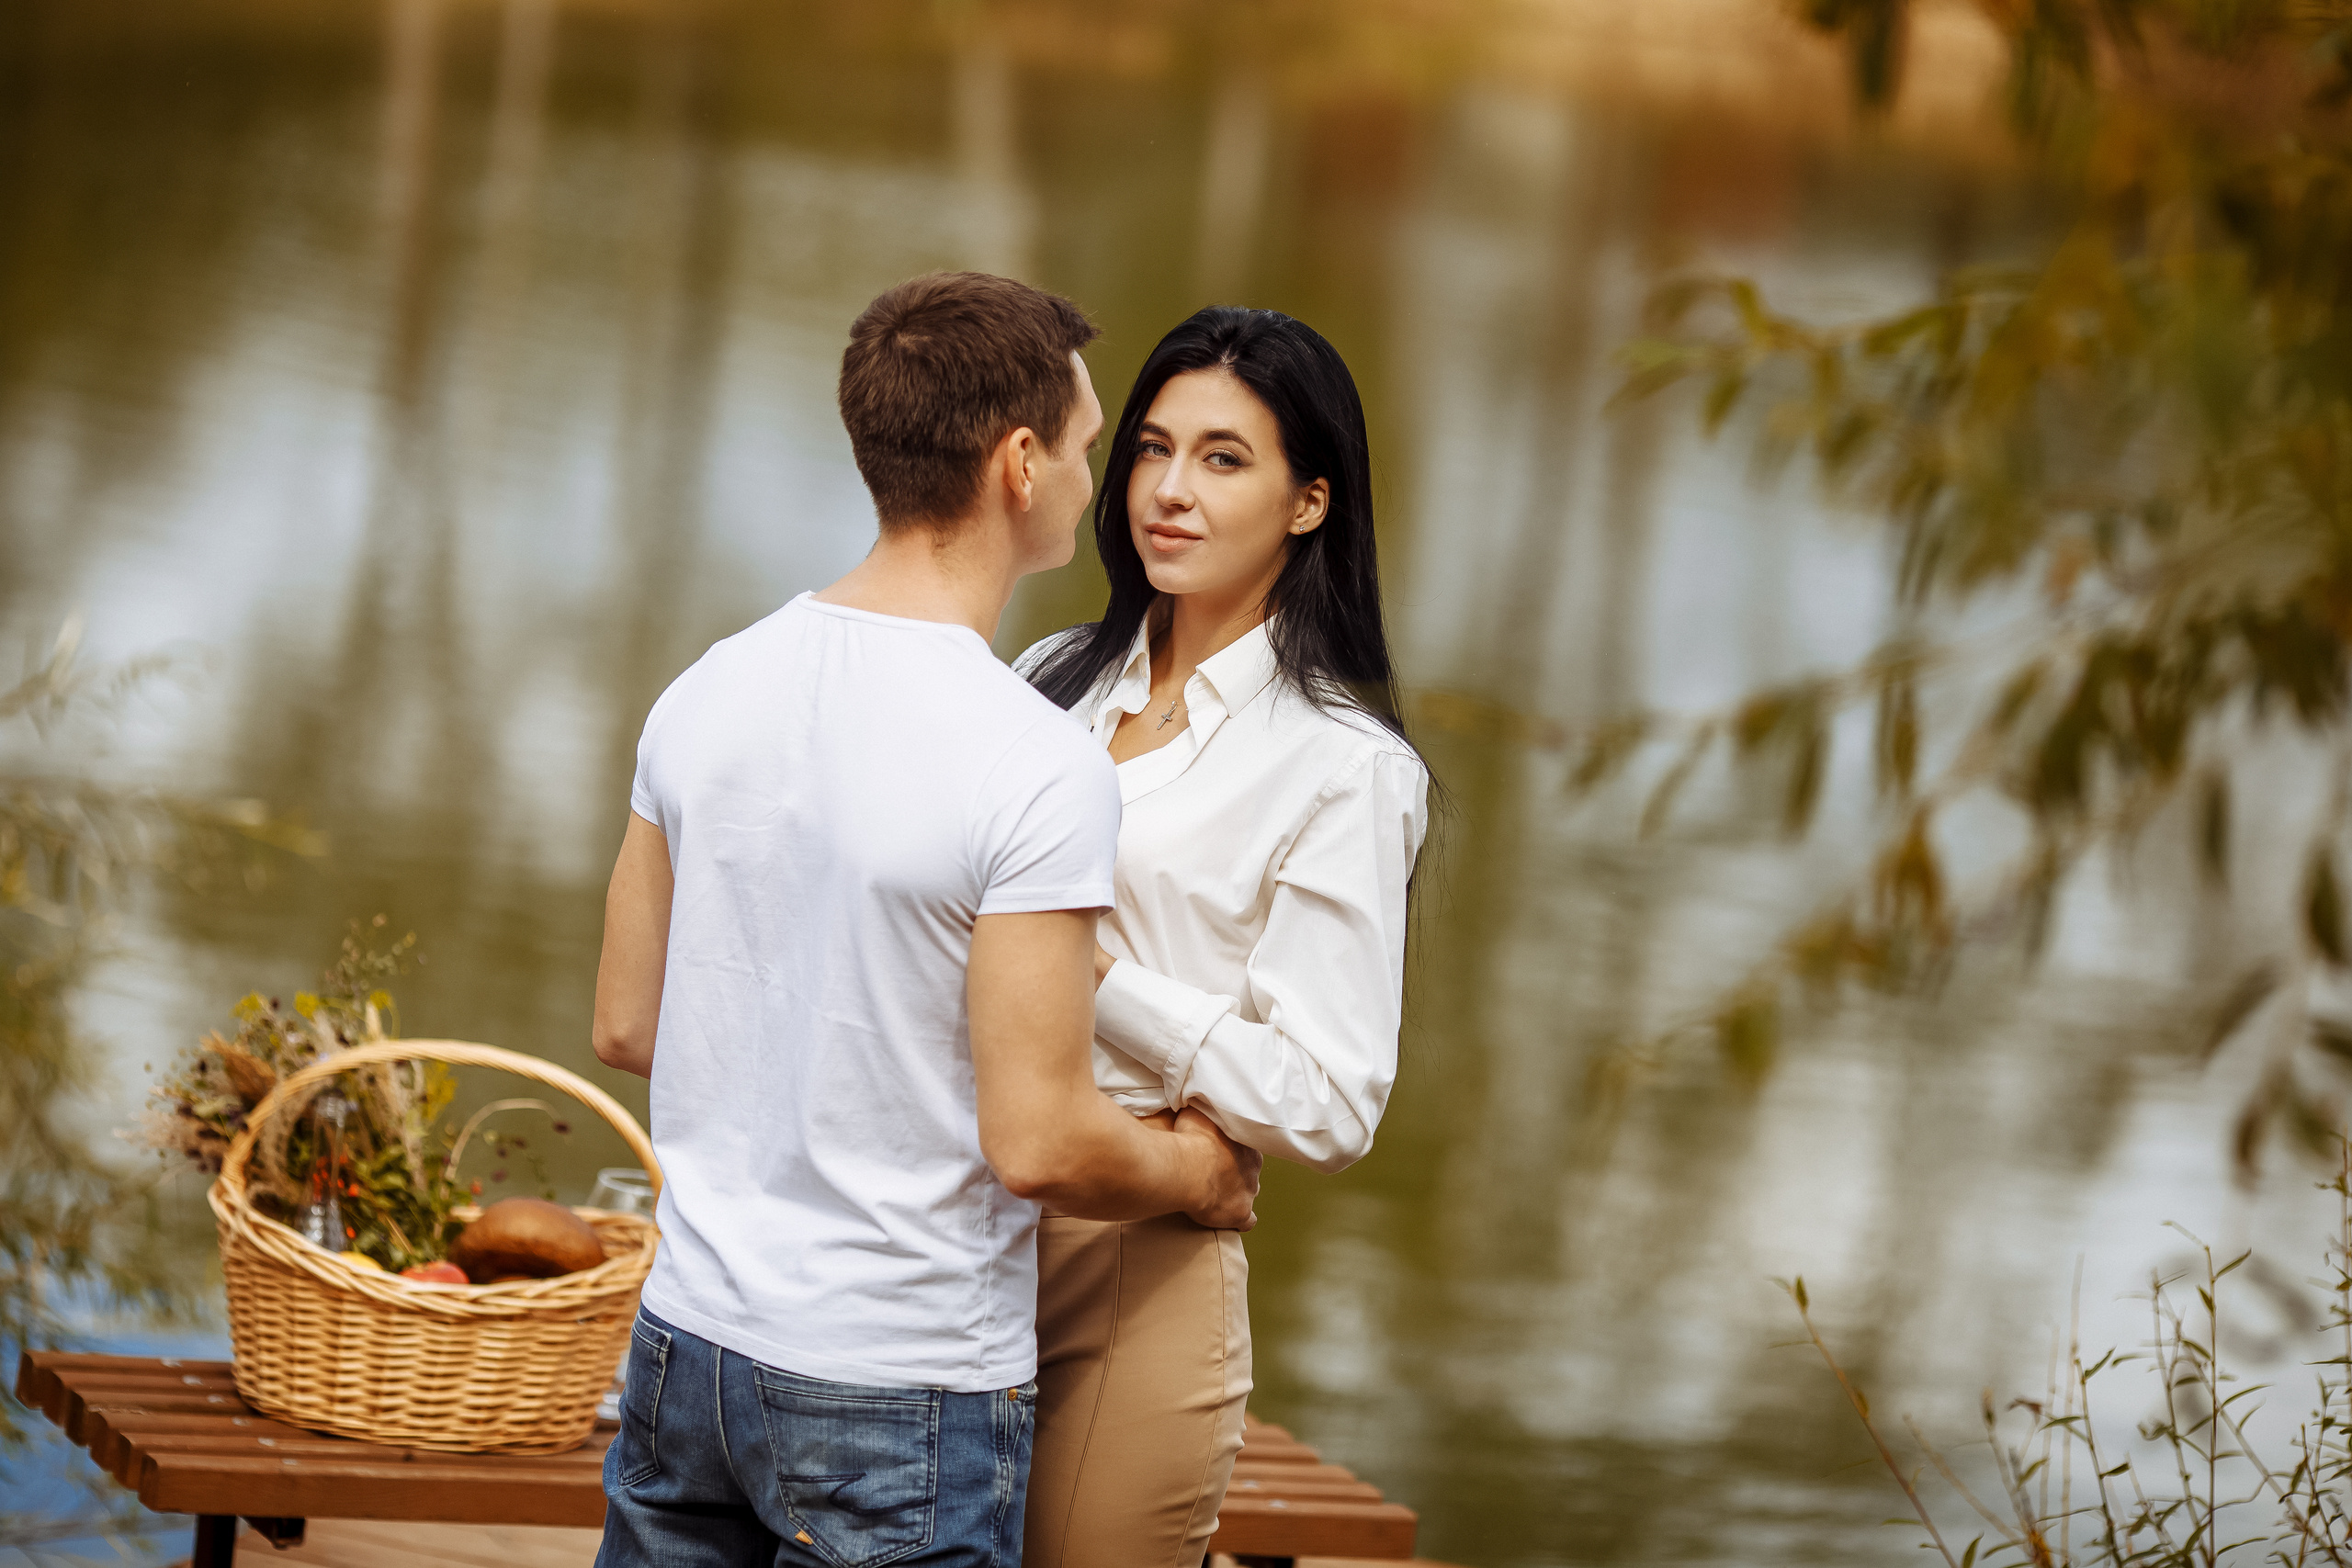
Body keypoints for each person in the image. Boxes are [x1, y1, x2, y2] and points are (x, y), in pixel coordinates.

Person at [589, 272, 1262, 1568]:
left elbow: (628, 1021)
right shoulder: (1032, 765)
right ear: (1019, 464)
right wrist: (1197, 1168)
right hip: (897, 1385)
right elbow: (1039, 1139)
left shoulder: (708, 688)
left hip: (686, 1349)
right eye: (1083, 445)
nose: (1094, 476)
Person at [1017, 307, 1432, 1567]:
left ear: (1310, 503)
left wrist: (1099, 982)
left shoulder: (1342, 768)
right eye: (1151, 449)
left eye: (1223, 459)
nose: (1171, 492)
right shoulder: (1046, 679)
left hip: (1136, 1264)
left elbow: (1327, 1098)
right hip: (952, 1225)